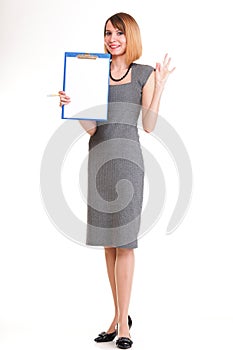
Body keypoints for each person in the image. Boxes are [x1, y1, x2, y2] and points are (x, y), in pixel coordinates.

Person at [59, 12, 175, 349]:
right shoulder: (92, 72)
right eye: (108, 32)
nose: (113, 38)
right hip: (99, 161)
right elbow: (93, 128)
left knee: (125, 242)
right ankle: (117, 315)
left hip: (128, 165)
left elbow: (150, 125)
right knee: (108, 244)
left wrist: (162, 85)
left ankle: (123, 326)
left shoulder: (143, 74)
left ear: (131, 37)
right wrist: (76, 107)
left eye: (119, 33)